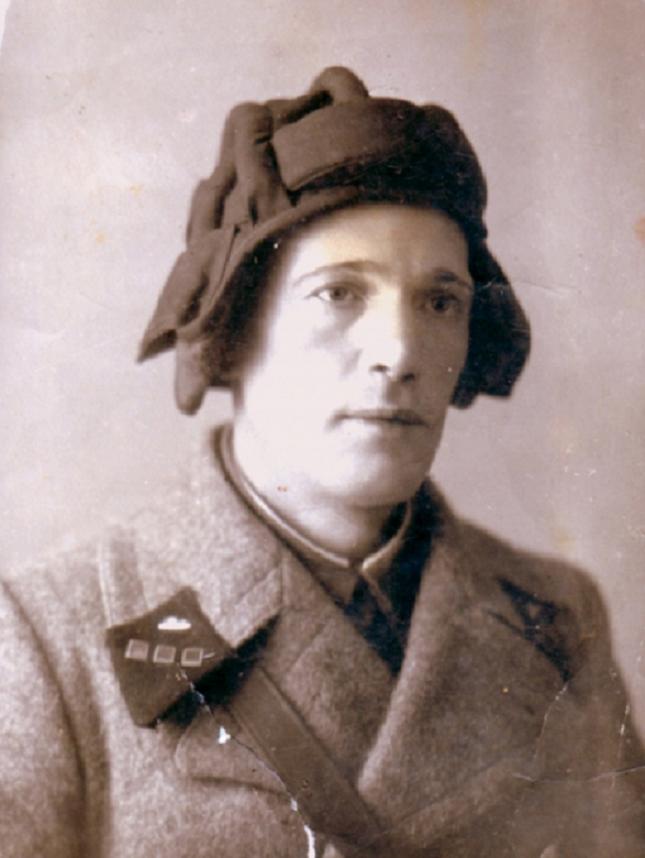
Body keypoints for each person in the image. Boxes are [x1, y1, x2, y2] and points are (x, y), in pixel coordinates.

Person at [1, 66, 643, 858]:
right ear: (234, 329)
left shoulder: (554, 617)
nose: (400, 352)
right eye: (339, 293)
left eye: (439, 301)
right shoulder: (47, 639)